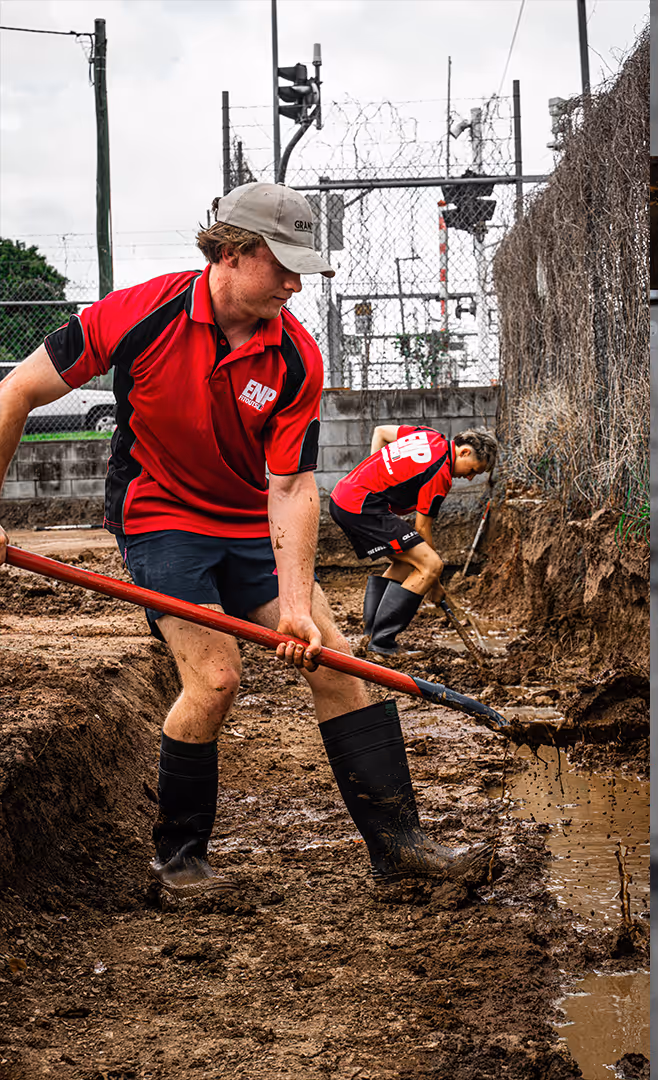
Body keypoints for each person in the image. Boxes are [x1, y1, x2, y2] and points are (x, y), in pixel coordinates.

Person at [0, 183, 496, 899]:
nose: (296, 283)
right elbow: (16, 391)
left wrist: (296, 603)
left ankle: (399, 845)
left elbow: (292, 486)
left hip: (248, 522)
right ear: (232, 252)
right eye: (283, 265)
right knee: (217, 678)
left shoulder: (295, 356)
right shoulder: (139, 314)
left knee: (336, 664)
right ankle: (178, 861)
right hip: (159, 517)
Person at [328, 424, 498, 655]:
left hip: (344, 496)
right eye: (473, 470)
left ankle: (371, 636)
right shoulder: (441, 472)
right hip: (361, 505)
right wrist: (435, 584)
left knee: (406, 561)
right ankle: (383, 643)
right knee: (431, 565)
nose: (469, 478)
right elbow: (422, 528)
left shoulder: (427, 435)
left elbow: (381, 432)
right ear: (464, 452)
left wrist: (377, 477)